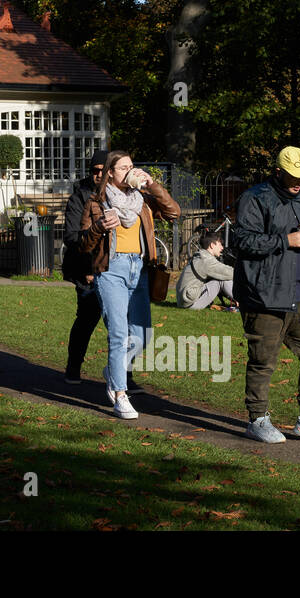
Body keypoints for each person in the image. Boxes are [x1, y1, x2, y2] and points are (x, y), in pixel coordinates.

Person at [235, 145, 300, 444]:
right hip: (265, 294)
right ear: (278, 171)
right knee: (263, 360)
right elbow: (242, 241)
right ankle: (257, 419)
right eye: (294, 176)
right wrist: (286, 240)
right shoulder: (254, 198)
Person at [75, 151, 180, 419]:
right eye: (124, 168)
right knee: (119, 335)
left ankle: (113, 370)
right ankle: (120, 394)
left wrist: (152, 185)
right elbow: (84, 245)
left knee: (142, 335)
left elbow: (174, 212)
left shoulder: (142, 202)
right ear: (110, 172)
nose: (129, 171)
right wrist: (98, 226)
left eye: (132, 166)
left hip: (139, 270)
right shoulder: (96, 202)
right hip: (111, 271)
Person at [61, 150, 112, 383]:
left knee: (122, 327)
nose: (98, 175)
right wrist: (88, 270)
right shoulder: (80, 198)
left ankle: (123, 375)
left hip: (116, 270)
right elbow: (72, 237)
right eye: (94, 171)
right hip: (89, 270)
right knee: (86, 320)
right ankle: (73, 366)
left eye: (103, 171)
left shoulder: (120, 195)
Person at [176, 229, 236, 310]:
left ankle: (241, 300)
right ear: (212, 245)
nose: (222, 248)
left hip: (186, 299)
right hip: (190, 302)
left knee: (220, 277)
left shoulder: (201, 256)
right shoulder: (206, 260)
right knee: (222, 279)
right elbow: (230, 273)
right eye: (220, 244)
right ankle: (246, 302)